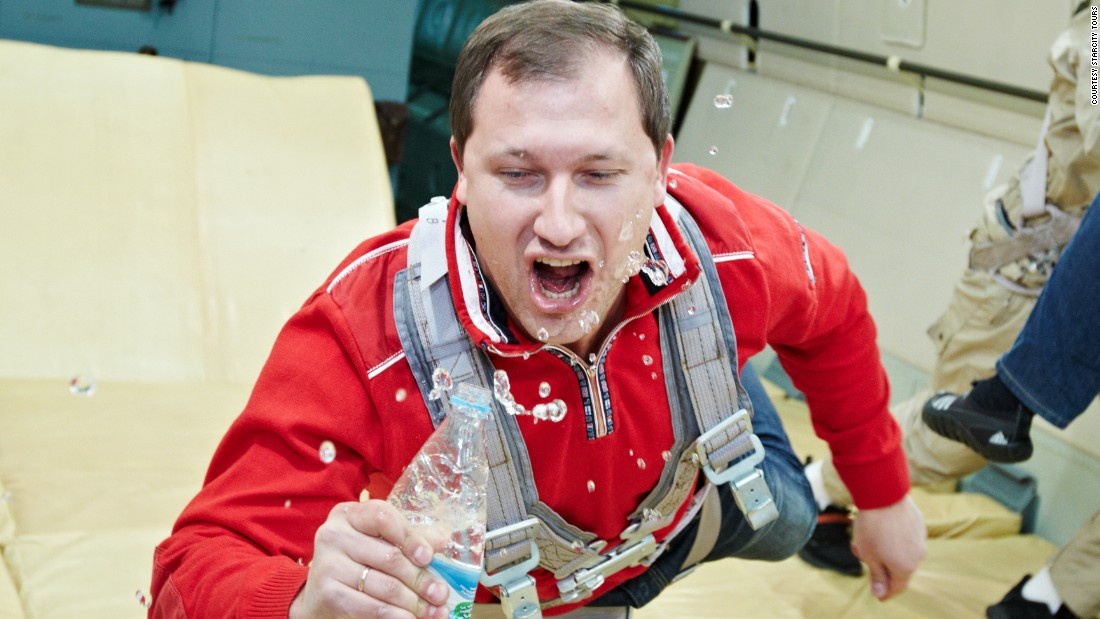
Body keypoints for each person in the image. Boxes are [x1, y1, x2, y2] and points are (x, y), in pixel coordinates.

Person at [147, 2, 925, 617]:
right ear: (460, 168)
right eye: (518, 173)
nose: (557, 224)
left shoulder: (728, 251)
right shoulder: (370, 335)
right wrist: (296, 605)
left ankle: (723, 378)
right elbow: (193, 565)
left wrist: (884, 494)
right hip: (540, 595)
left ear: (661, 168)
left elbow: (835, 311)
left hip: (695, 507)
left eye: (599, 173)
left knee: (790, 520)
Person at [800, 0, 1098, 580]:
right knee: (959, 435)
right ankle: (816, 490)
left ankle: (1049, 599)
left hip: (1072, 270)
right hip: (1029, 267)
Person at [922, 197, 1100, 619]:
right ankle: (826, 490)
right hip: (1029, 272)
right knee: (946, 447)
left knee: (949, 444)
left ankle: (1049, 601)